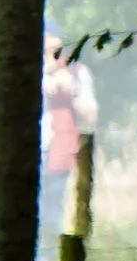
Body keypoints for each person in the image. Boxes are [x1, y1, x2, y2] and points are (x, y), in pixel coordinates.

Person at [39, 31, 98, 243]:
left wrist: (70, 90)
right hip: (24, 151)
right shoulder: (20, 68)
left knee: (52, 211)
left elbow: (91, 113)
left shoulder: (75, 72)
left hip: (57, 151)